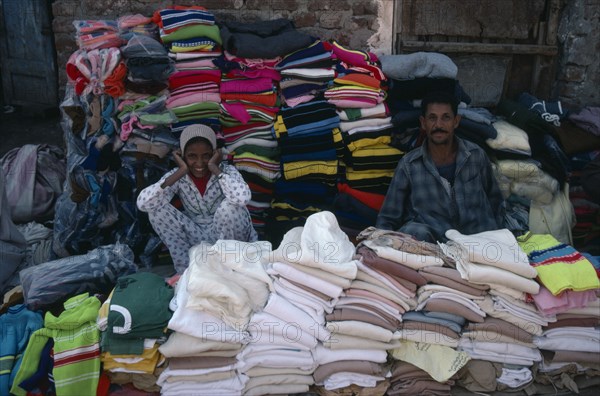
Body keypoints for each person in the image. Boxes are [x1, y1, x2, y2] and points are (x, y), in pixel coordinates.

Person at [376, 91, 506, 242]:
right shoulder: (409, 165)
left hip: (478, 242)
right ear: (423, 123)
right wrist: (381, 247)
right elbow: (388, 218)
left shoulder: (476, 156)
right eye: (432, 118)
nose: (439, 125)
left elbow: (495, 201)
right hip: (435, 247)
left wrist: (500, 239)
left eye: (446, 118)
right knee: (413, 231)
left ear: (456, 121)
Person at [137, 124, 257, 273]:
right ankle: (186, 272)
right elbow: (143, 203)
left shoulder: (226, 171)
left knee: (231, 208)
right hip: (197, 235)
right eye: (192, 156)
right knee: (155, 211)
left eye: (206, 156)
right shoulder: (179, 176)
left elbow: (243, 198)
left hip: (227, 238)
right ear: (182, 156)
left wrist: (215, 168)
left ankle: (231, 269)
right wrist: (180, 171)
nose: (199, 163)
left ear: (214, 154)